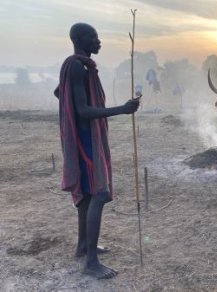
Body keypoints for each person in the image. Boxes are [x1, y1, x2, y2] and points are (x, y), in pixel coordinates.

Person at [54, 22, 140, 279]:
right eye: (94, 37)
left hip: (86, 137)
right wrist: (122, 110)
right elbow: (82, 110)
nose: (98, 41)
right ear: (81, 40)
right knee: (99, 193)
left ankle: (83, 246)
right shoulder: (77, 67)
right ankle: (91, 262)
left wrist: (73, 105)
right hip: (85, 140)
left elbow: (60, 92)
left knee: (91, 195)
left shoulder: (80, 67)